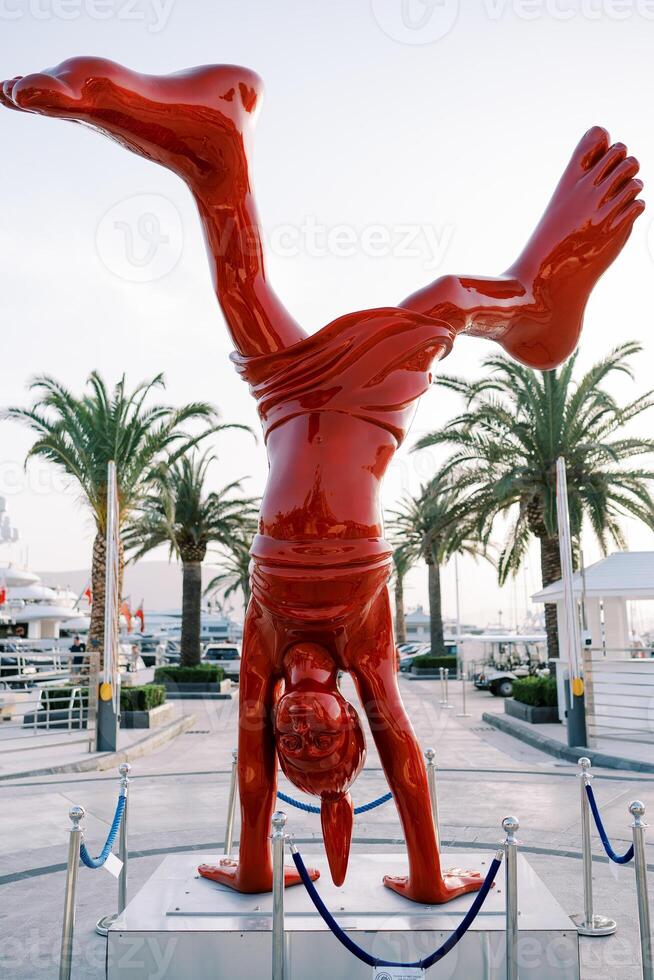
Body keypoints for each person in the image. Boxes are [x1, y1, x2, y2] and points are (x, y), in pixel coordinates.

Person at [1, 58, 644, 903]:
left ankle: (217, 154)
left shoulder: (266, 643)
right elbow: (402, 750)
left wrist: (259, 865)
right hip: (360, 418)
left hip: (291, 409)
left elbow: (246, 759)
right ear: (350, 717)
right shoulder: (367, 644)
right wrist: (425, 872)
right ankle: (532, 302)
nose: (297, 720)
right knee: (447, 297)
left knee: (241, 289)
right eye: (320, 734)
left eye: (288, 733)